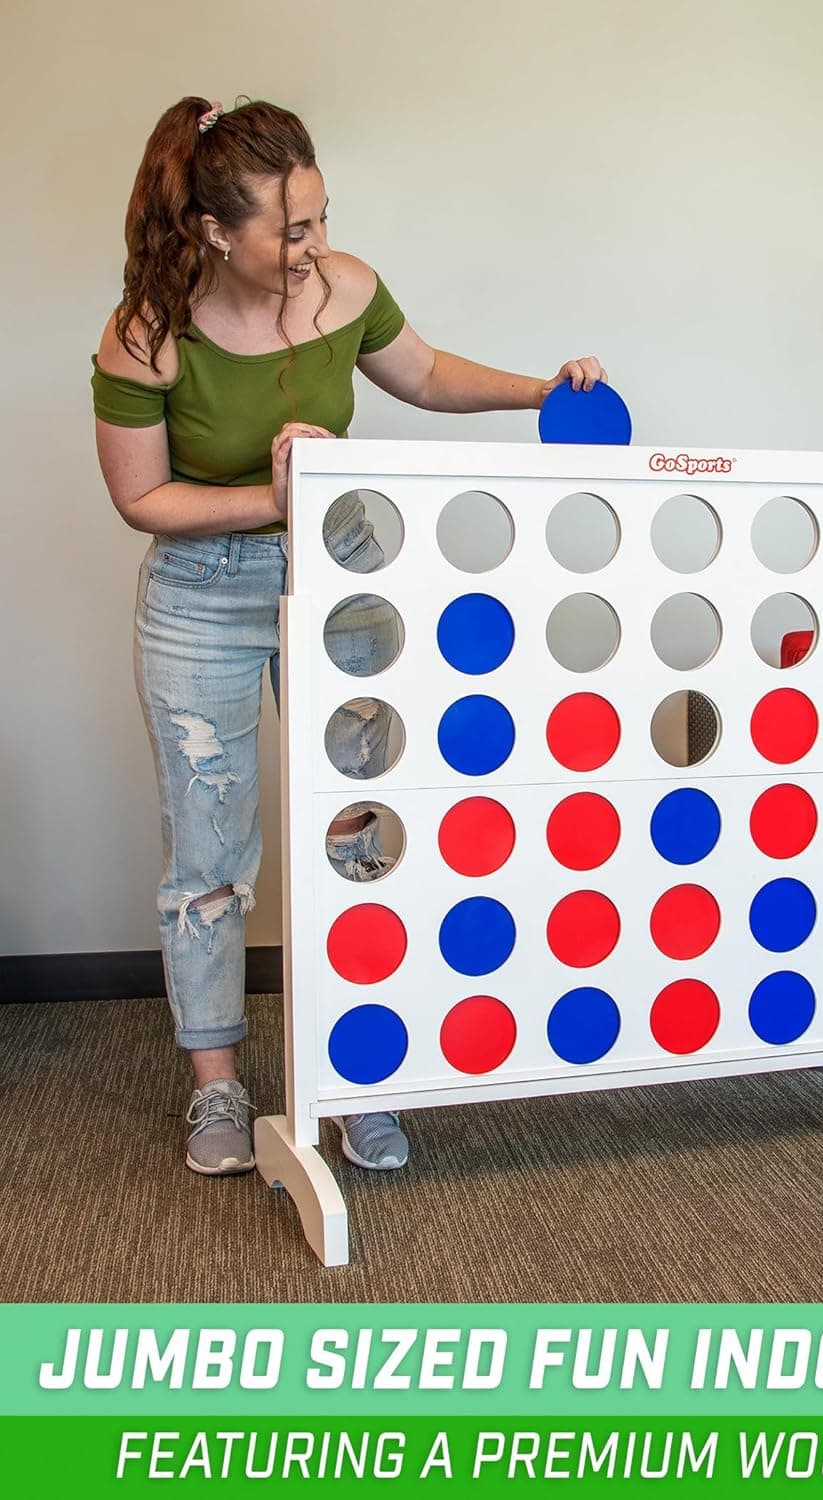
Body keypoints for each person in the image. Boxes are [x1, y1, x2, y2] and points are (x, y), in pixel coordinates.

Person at [92, 97, 607, 1175]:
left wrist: (539, 391)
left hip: (343, 573)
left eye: (322, 217)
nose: (315, 245)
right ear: (214, 232)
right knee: (210, 854)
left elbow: (426, 374)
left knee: (365, 831)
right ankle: (218, 1088)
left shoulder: (347, 289)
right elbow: (142, 499)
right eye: (292, 230)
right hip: (201, 594)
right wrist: (276, 496)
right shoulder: (147, 334)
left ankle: (358, 1067)